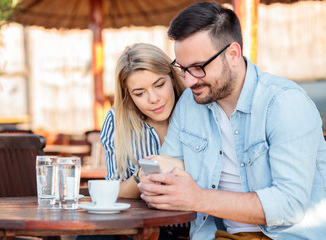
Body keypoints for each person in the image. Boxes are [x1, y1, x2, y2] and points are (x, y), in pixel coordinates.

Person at [138, 2, 326, 240]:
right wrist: (154, 182)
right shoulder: (190, 102)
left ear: (233, 54)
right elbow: (172, 163)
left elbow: (289, 204)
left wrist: (198, 198)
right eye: (182, 69)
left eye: (198, 67)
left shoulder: (284, 103)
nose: (188, 81)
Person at [100, 43, 188, 239]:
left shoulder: (196, 110)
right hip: (138, 227)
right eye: (140, 93)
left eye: (159, 85)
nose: (154, 99)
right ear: (128, 95)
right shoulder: (117, 122)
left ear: (172, 79)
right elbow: (115, 193)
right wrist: (143, 174)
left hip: (190, 228)